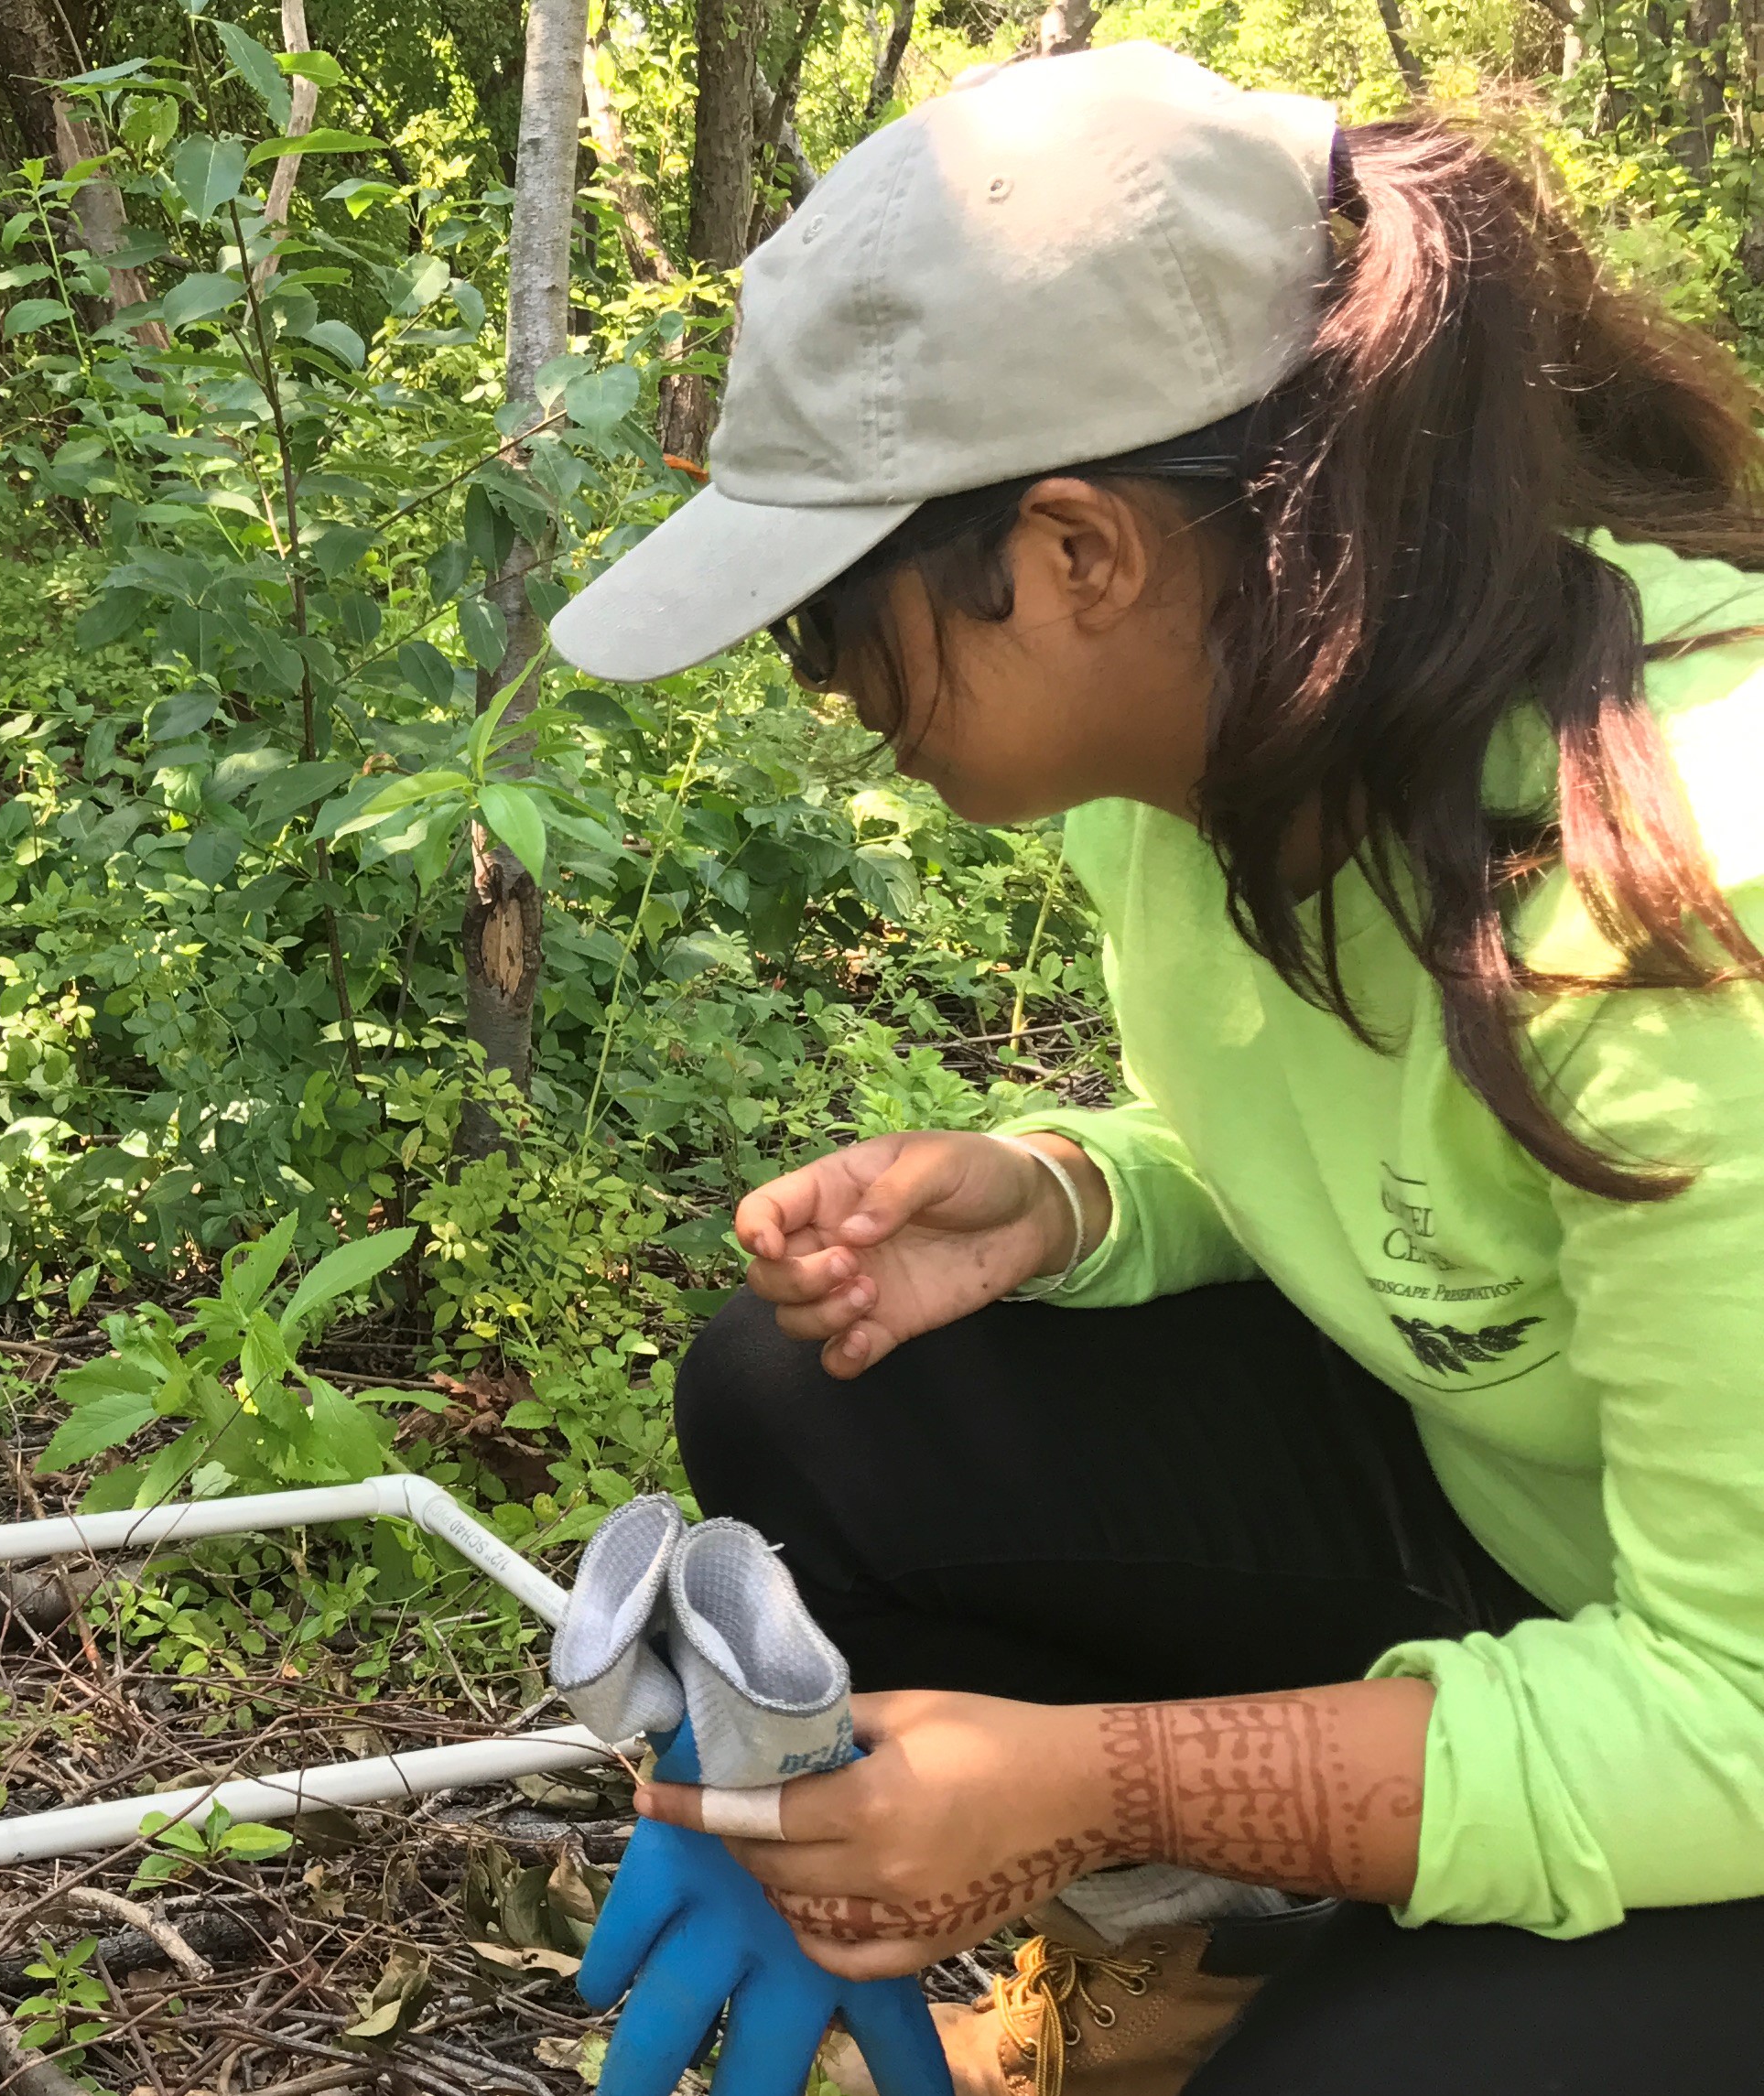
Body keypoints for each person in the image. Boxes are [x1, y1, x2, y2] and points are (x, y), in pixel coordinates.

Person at [544, 46, 1764, 2096]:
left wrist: (1101, 1784)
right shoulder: (1211, 748)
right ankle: (1245, 1960)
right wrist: (1076, 1191)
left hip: (1730, 1704)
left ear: (1080, 550)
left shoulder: (1677, 889)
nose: (830, 692)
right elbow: (1416, 1173)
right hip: (1571, 1532)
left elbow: (1738, 1713)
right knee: (811, 1390)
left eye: (829, 619)